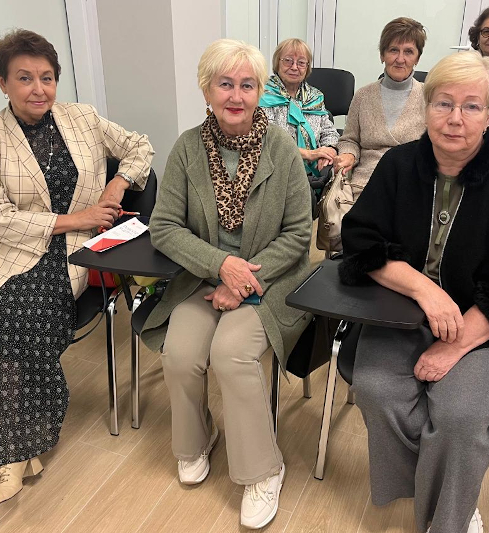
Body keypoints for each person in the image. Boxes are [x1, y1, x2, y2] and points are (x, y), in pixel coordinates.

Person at [338, 52, 489, 533]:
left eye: (472, 106)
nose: (455, 118)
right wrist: (424, 290)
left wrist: (455, 344)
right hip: (402, 311)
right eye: (444, 103)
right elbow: (361, 240)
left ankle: (449, 515)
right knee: (377, 389)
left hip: (485, 325)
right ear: (425, 106)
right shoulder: (398, 165)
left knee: (458, 413)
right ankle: (446, 485)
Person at [0, 29, 153, 507]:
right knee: (0, 317)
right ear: (2, 82)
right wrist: (79, 217)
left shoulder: (82, 118)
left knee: (21, 319)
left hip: (72, 251)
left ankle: (15, 452)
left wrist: (116, 186)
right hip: (8, 252)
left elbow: (140, 147)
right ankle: (17, 452)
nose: (38, 89)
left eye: (46, 77)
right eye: (24, 78)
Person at [140, 39, 312, 530]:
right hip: (204, 277)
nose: (236, 95)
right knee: (180, 352)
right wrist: (221, 267)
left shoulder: (281, 147)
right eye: (225, 84)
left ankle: (264, 469)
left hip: (271, 279)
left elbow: (299, 233)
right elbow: (164, 227)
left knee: (232, 352)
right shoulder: (187, 148)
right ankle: (198, 438)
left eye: (247, 85)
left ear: (260, 92)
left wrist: (240, 280)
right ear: (207, 90)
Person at [321, 17, 426, 252]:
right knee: (357, 241)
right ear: (382, 54)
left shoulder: (429, 97)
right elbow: (350, 139)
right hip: (364, 183)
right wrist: (348, 155)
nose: (400, 58)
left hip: (411, 185)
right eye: (393, 50)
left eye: (408, 51)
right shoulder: (363, 96)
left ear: (417, 58)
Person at [259, 38, 339, 184]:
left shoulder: (315, 97)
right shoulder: (263, 95)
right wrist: (308, 154)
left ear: (307, 67)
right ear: (277, 63)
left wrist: (328, 151)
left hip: (317, 173)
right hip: (276, 172)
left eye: (301, 62)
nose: (294, 67)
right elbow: (267, 140)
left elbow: (329, 132)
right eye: (288, 61)